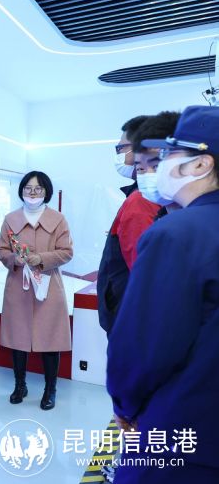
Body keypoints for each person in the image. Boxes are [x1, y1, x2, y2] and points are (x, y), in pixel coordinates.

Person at [107, 105, 219, 484]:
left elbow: (144, 344)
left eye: (168, 154)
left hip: (178, 425)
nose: (155, 168)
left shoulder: (176, 233)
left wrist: (125, 403)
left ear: (200, 163)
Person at [0, 171, 73, 410]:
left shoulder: (58, 219)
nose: (32, 192)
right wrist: (14, 259)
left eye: (38, 188)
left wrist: (42, 258)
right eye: (28, 188)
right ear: (21, 191)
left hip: (48, 286)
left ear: (46, 191)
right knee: (18, 338)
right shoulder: (10, 219)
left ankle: (50, 390)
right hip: (19, 285)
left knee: (51, 339)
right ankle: (20, 385)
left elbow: (67, 252)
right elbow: (0, 250)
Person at [97, 115, 160, 335]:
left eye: (120, 148)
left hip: (130, 317)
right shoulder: (142, 196)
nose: (118, 154)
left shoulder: (141, 199)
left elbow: (143, 270)